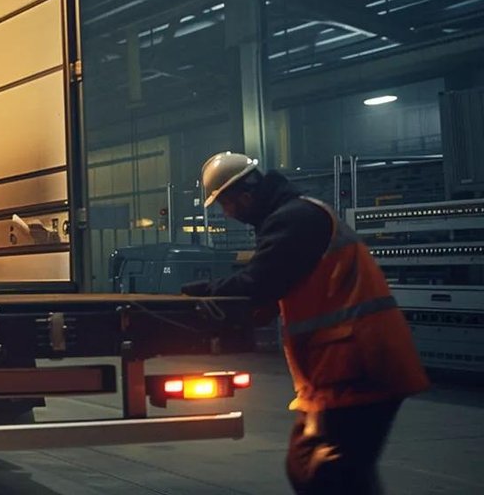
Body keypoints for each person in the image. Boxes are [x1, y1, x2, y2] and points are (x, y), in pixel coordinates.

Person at [181, 152, 429, 495]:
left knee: (327, 473)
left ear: (246, 195)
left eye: (227, 204)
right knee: (315, 467)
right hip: (342, 365)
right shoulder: (293, 217)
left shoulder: (296, 219)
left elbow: (261, 281)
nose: (228, 214)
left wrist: (209, 295)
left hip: (357, 362)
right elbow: (275, 292)